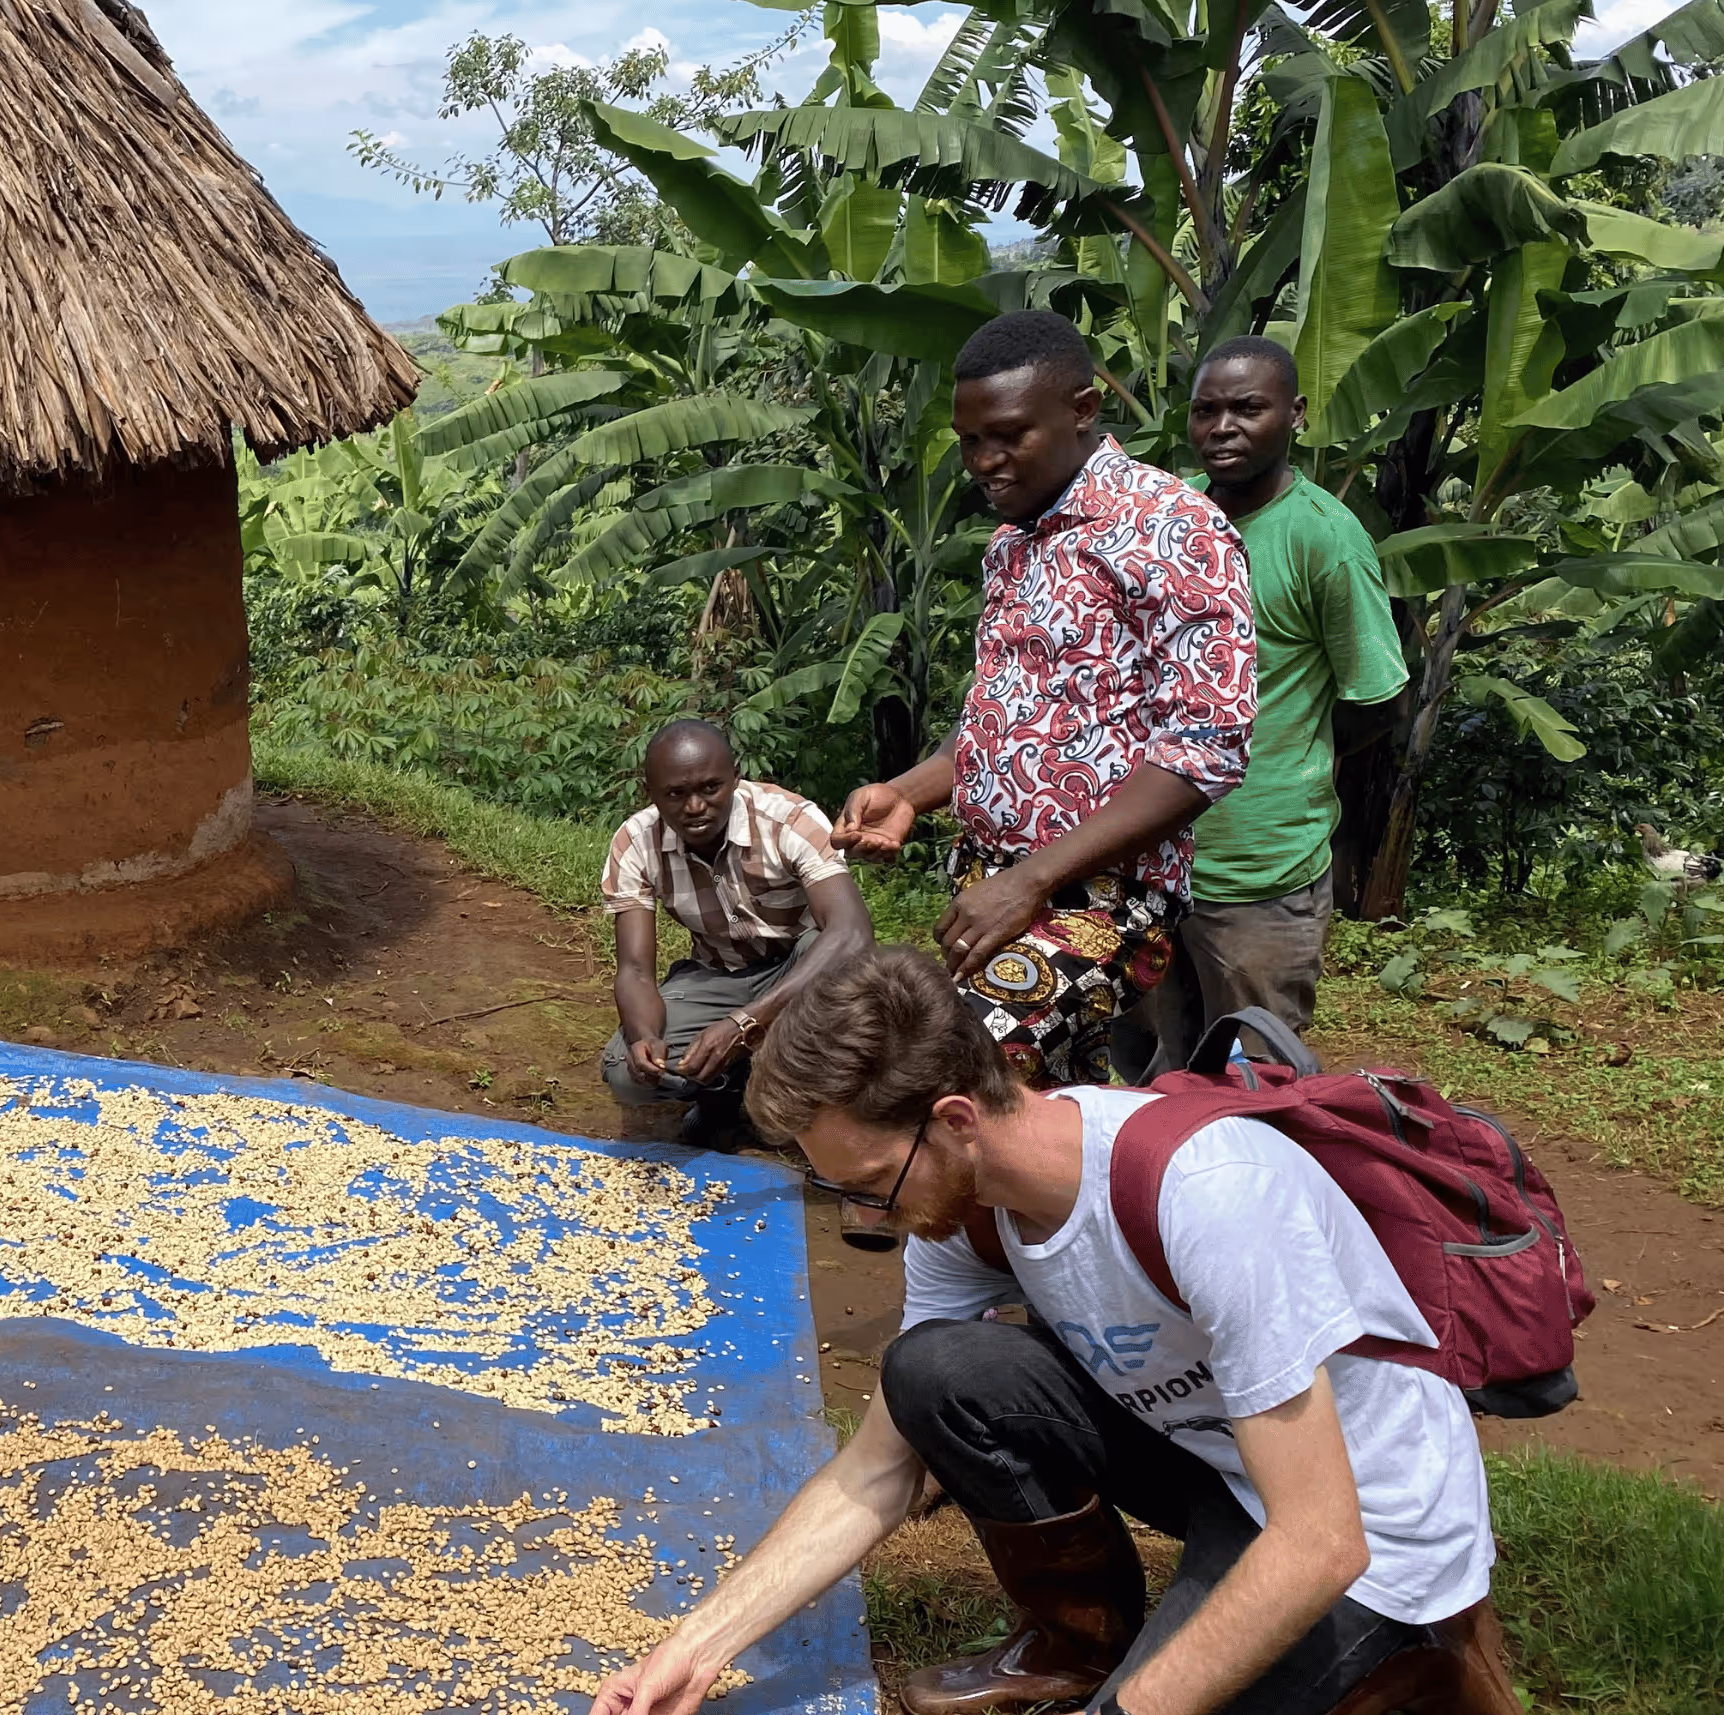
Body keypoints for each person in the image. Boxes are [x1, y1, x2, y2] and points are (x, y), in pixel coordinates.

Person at [581, 948, 1533, 1715]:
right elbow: (877, 1471)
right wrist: (695, 1651)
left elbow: (1321, 1539)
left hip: (1361, 1527)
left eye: (871, 1183)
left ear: (954, 1119)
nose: (868, 1218)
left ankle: (1426, 1647)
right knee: (933, 1373)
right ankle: (1082, 1648)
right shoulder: (971, 1208)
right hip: (1217, 1454)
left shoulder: (1209, 1194)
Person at [834, 311, 1257, 1086]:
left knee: (960, 1066)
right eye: (969, 440)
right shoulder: (1014, 543)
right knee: (1059, 1112)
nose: (983, 461)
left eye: (1008, 436)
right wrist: (906, 794)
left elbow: (1207, 750)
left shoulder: (1170, 527)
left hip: (1105, 902)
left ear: (1083, 410)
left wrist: (1030, 881)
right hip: (990, 884)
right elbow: (1004, 723)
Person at [1141, 336, 1409, 1072]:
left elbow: (1376, 699)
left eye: (1247, 408)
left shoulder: (1322, 538)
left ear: (1293, 414)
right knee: (1152, 1074)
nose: (1222, 427)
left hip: (1260, 868)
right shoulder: (1175, 522)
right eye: (1205, 411)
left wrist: (1281, 760)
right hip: (1154, 857)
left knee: (1254, 1080)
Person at [600, 719, 873, 1148]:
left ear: (735, 776)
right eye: (676, 794)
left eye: (710, 788)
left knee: (840, 961)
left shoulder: (787, 819)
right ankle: (723, 1093)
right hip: (719, 974)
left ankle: (819, 1113)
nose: (695, 807)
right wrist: (645, 1038)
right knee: (625, 1070)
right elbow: (634, 971)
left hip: (802, 972)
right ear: (650, 792)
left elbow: (852, 933)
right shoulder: (636, 843)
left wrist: (743, 1024)